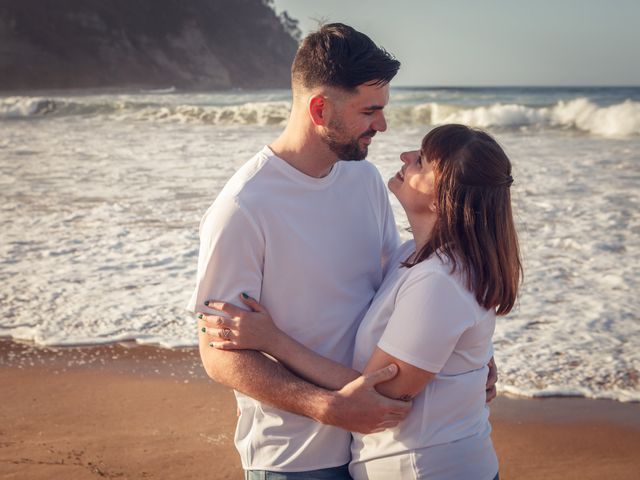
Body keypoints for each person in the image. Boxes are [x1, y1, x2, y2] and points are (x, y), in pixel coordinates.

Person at [189, 23, 497, 479]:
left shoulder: (365, 180)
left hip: (374, 447)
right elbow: (217, 352)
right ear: (319, 109)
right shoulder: (244, 207)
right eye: (370, 111)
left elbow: (398, 289)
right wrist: (327, 407)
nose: (382, 125)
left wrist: (464, 357)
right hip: (293, 455)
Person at [202, 124, 521, 480]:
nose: (406, 157)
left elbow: (377, 392)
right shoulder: (413, 256)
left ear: (441, 196)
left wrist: (272, 340)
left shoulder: (439, 279)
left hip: (426, 468)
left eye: (423, 161)